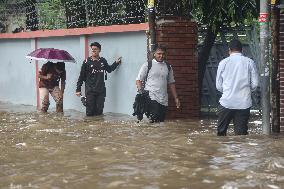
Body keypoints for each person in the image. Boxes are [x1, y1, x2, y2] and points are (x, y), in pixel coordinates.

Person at [216, 39, 259, 136]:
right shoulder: (249, 62)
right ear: (242, 50)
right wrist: (247, 90)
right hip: (243, 104)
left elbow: (218, 85)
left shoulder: (223, 62)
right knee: (241, 136)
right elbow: (255, 84)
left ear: (229, 50)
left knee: (221, 134)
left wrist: (227, 91)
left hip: (226, 102)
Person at [136, 45, 180, 123]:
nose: (161, 56)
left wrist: (176, 98)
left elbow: (171, 83)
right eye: (159, 53)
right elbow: (138, 80)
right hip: (151, 97)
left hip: (163, 99)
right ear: (154, 54)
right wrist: (140, 92)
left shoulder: (168, 66)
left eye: (163, 54)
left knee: (160, 122)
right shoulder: (147, 65)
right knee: (154, 119)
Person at [76, 42, 121, 116]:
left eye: (95, 49)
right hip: (90, 91)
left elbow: (109, 69)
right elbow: (81, 76)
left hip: (101, 91)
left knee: (99, 112)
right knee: (90, 112)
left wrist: (116, 63)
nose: (93, 50)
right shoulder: (86, 62)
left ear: (99, 50)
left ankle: (99, 127)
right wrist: (78, 89)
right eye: (92, 49)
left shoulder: (103, 60)